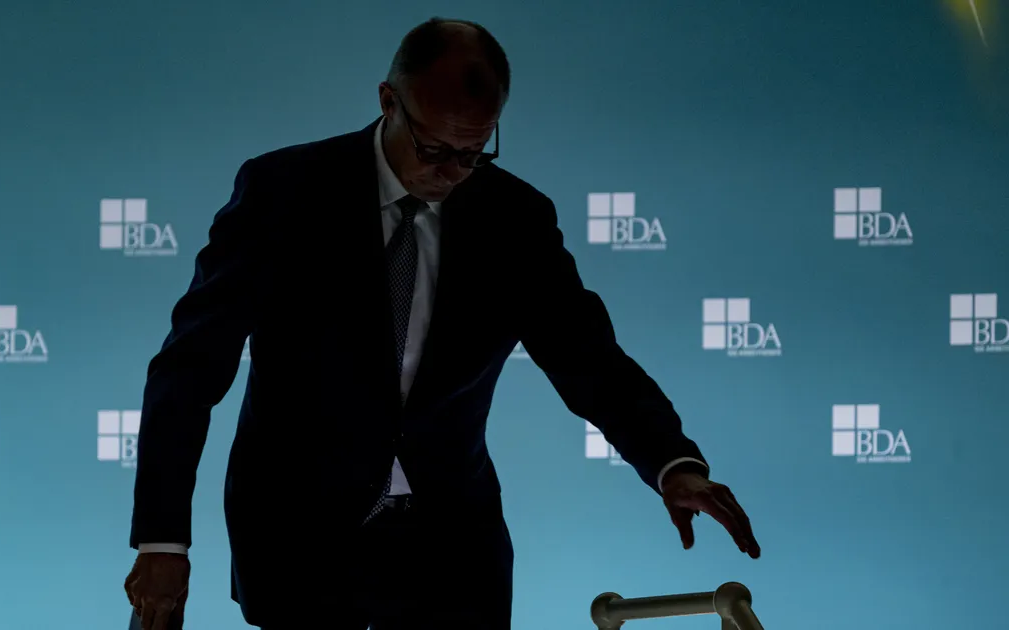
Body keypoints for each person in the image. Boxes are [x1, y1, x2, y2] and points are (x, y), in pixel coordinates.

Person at [123, 16, 760, 630]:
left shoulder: (515, 218)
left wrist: (671, 462)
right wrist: (162, 540)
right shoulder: (284, 191)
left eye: (474, 151)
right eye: (433, 149)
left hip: (453, 545)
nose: (451, 172)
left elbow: (587, 358)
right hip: (300, 533)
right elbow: (189, 367)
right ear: (388, 102)